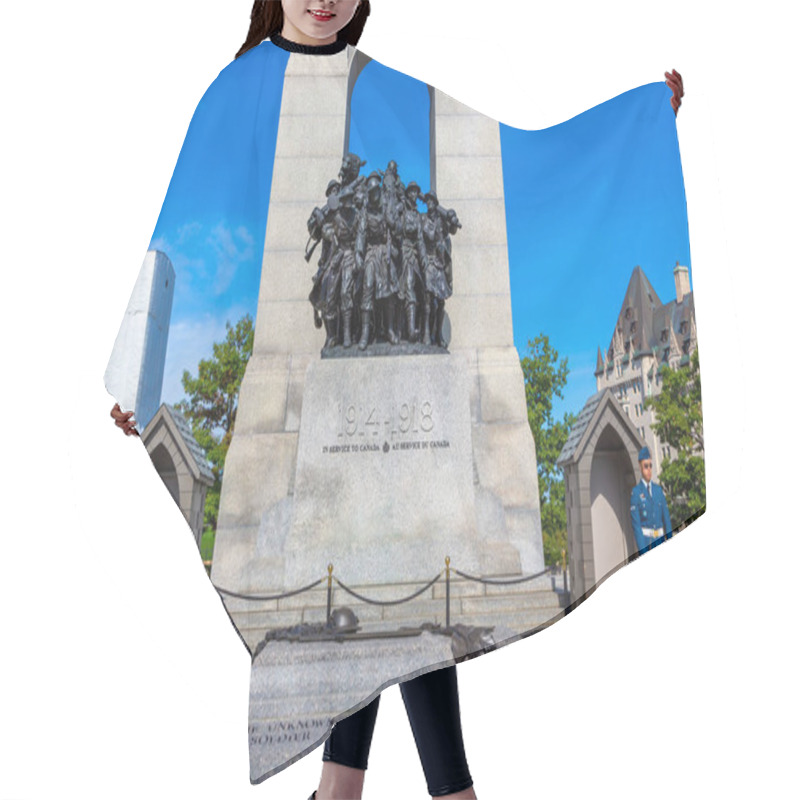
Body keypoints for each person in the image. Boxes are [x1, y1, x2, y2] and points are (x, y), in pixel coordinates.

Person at [109, 2, 686, 797]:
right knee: (390, 601)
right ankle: (431, 793)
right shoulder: (234, 89)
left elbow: (517, 156)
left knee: (395, 596)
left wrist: (640, 122)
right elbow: (177, 231)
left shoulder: (382, 84)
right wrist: (140, 384)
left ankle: (349, 791)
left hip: (401, 353)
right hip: (327, 348)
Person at [630, 446, 673, 554]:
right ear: (640, 467)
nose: (649, 470)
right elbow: (637, 527)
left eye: (650, 466)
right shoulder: (636, 493)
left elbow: (666, 520)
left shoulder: (658, 490)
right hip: (647, 543)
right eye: (645, 466)